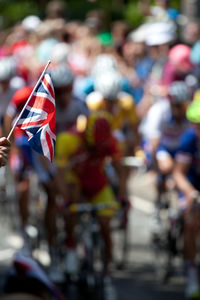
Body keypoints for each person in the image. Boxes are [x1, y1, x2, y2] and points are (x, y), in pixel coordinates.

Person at [55, 111, 126, 283]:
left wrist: (123, 196)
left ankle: (107, 272)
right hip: (75, 182)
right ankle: (71, 246)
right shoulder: (67, 140)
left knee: (105, 226)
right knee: (71, 204)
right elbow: (61, 174)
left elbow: (120, 170)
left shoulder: (112, 142)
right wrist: (65, 199)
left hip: (98, 185)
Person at [173, 99, 200, 299]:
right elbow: (178, 174)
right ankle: (191, 274)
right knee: (191, 222)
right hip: (191, 185)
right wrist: (190, 192)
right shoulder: (189, 139)